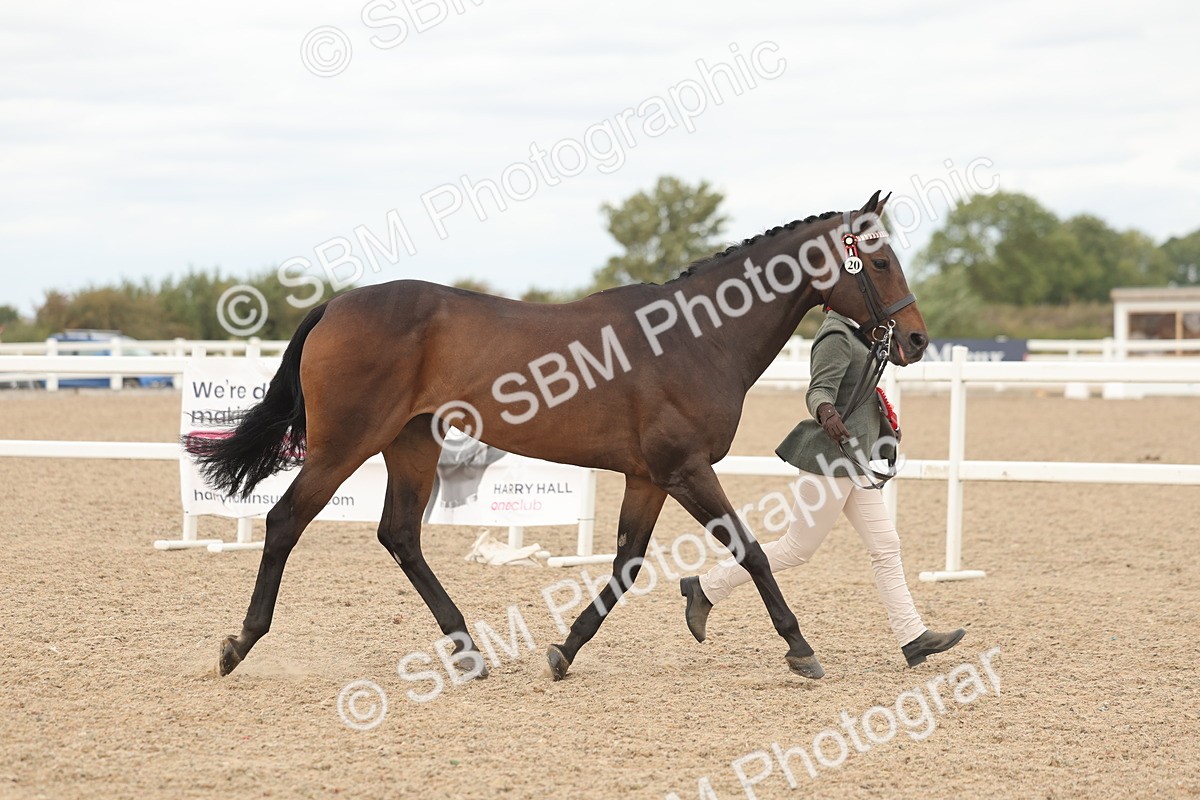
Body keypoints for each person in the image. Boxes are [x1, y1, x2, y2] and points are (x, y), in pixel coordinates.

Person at [679, 310, 965, 668]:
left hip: (853, 458)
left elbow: (890, 362)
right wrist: (827, 412)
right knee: (796, 549)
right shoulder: (836, 334)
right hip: (831, 459)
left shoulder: (861, 332)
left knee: (886, 546)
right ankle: (706, 587)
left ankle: (913, 637)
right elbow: (818, 390)